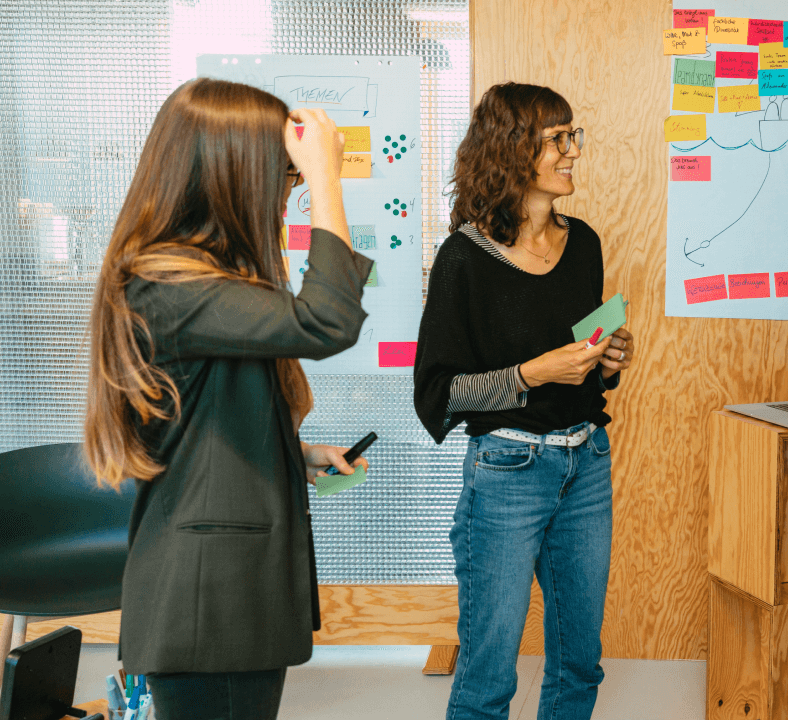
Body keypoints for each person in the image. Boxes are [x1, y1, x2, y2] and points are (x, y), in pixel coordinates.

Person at [83, 79, 373, 719]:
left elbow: (200, 414)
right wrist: (327, 178)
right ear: (234, 175)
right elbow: (328, 322)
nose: (288, 193)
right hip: (211, 600)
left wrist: (295, 453)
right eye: (284, 176)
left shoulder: (193, 281)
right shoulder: (170, 282)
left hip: (220, 593)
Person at [412, 83, 635, 720]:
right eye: (557, 140)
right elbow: (439, 395)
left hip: (586, 463)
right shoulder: (464, 257)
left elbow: (581, 363)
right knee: (488, 675)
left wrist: (605, 362)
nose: (573, 152)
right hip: (507, 471)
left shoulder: (583, 242)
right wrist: (534, 373)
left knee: (579, 663)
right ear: (512, 150)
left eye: (573, 136)